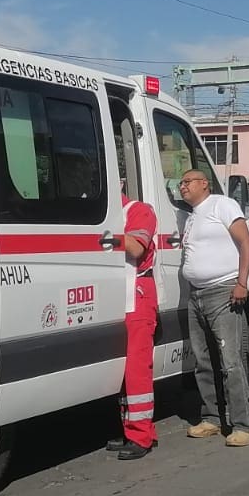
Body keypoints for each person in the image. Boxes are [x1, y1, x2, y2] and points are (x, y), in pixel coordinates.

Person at [176, 169, 249, 448]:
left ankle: (242, 425)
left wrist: (242, 282)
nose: (182, 187)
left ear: (204, 184)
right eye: (181, 183)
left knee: (231, 361)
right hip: (196, 296)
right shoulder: (191, 217)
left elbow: (246, 243)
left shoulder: (221, 205)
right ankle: (211, 418)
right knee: (202, 361)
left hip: (224, 291)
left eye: (187, 182)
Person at [106, 188, 160, 460]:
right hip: (119, 293)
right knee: (123, 369)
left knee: (137, 367)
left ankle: (142, 435)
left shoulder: (139, 211)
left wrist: (104, 238)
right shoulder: (110, 217)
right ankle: (130, 429)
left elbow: (136, 247)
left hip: (138, 293)